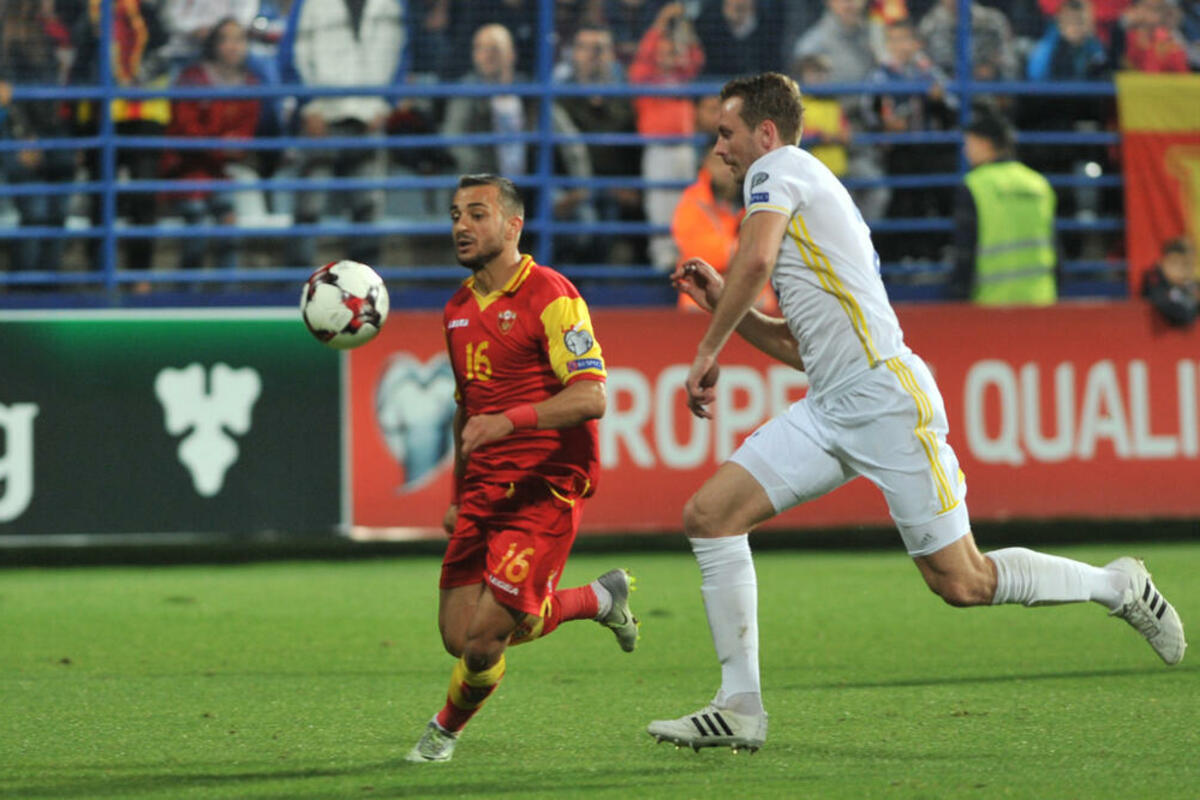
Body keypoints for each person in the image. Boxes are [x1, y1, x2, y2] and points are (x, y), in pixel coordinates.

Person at [646, 72, 1186, 754]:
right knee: (710, 516)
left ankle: (1116, 585)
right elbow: (800, 347)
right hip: (833, 405)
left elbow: (754, 259)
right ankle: (740, 707)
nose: (718, 147)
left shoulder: (776, 171)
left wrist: (709, 348)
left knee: (962, 581)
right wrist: (723, 303)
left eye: (726, 133)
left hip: (885, 400)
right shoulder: (802, 191)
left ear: (766, 133)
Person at [405, 174, 639, 764]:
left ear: (514, 225)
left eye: (476, 214)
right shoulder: (457, 309)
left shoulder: (552, 295)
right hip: (485, 489)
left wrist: (510, 422)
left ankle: (442, 733)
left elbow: (592, 397)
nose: (461, 226)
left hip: (545, 486)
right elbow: (467, 412)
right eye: (455, 215)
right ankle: (596, 600)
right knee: (458, 636)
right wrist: (458, 494)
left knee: (483, 644)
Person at [277, 0, 407, 269]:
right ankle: (297, 281)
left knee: (367, 208)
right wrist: (308, 106)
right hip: (321, 118)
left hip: (368, 117)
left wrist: (385, 105)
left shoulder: (392, 4)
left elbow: (402, 51)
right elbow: (290, 52)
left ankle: (365, 286)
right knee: (308, 207)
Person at [163, 18, 264, 272]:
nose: (233, 47)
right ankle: (188, 289)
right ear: (213, 45)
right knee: (196, 218)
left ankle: (227, 288)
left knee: (228, 221)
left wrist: (234, 147)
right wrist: (220, 145)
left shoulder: (250, 84)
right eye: (225, 40)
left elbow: (245, 131)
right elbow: (184, 129)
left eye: (239, 40)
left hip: (222, 171)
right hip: (186, 169)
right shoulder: (192, 79)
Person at [948, 106, 1058, 306]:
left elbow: (965, 252)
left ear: (985, 143)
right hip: (1041, 300)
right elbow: (1055, 248)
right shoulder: (1038, 184)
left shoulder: (974, 185)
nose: (965, 151)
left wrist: (957, 297)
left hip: (991, 303)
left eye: (969, 143)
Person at [629, 1, 705, 271]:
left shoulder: (682, 74)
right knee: (660, 204)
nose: (669, 55)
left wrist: (684, 26)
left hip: (684, 146)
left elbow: (696, 58)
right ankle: (662, 259)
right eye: (664, 50)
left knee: (687, 202)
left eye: (673, 50)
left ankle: (685, 253)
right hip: (658, 149)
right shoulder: (644, 75)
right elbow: (643, 57)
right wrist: (660, 23)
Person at [1142, 237, 1199, 327]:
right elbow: (1184, 315)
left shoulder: (1192, 285)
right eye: (1174, 263)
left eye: (1185, 264)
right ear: (1161, 263)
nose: (1179, 270)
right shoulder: (1154, 282)